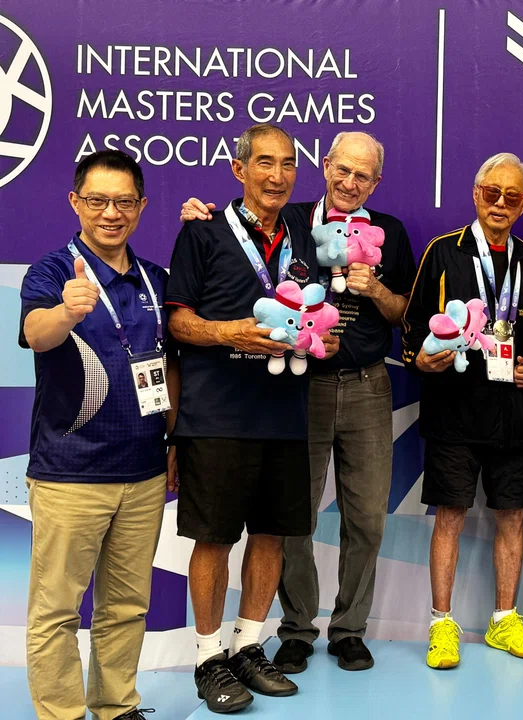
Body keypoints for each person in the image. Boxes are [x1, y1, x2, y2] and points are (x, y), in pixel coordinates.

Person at [180, 131, 416, 673]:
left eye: (364, 175)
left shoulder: (392, 233)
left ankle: (351, 629)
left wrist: (375, 288)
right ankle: (295, 629)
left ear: (375, 182)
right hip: (298, 387)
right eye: (343, 170)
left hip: (365, 383)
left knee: (367, 519)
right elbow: (240, 237)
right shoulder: (294, 223)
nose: (351, 182)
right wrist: (200, 214)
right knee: (291, 519)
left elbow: (406, 311)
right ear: (326, 166)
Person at [167, 123, 336, 713]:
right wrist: (227, 332)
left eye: (288, 164)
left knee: (271, 536)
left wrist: (324, 342)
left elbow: (316, 322)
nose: (277, 175)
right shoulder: (203, 231)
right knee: (213, 539)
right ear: (239, 170)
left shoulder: (307, 241)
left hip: (285, 415)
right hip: (216, 416)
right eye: (264, 163)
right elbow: (178, 322)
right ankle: (208, 657)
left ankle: (248, 647)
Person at [20, 150, 177, 720]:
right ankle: (61, 714)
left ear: (140, 206)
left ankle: (115, 706)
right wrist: (65, 312)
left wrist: (174, 441)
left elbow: (168, 366)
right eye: (97, 201)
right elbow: (36, 334)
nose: (111, 213)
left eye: (124, 202)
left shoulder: (157, 280)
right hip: (70, 474)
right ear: (75, 203)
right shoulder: (52, 272)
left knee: (126, 606)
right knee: (57, 610)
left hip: (143, 473)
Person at [401, 153, 523, 669]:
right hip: (454, 414)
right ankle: (443, 624)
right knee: (450, 517)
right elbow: (412, 326)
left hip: (516, 413)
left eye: (512, 196)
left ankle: (504, 619)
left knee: (513, 517)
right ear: (476, 193)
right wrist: (418, 356)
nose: (500, 204)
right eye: (492, 193)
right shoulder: (443, 253)